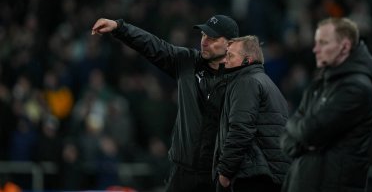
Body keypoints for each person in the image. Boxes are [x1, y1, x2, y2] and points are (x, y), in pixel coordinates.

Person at [91, 15, 239, 192]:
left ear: (230, 44)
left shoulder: (242, 80)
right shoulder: (187, 62)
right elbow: (153, 45)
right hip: (183, 172)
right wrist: (119, 27)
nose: (204, 41)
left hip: (218, 176)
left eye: (212, 38)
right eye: (203, 35)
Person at [280, 17, 372, 192]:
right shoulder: (319, 84)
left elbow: (310, 131)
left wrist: (299, 130)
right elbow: (287, 139)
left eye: (323, 43)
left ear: (345, 47)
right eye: (316, 42)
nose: (315, 49)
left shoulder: (357, 88)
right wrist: (299, 132)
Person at [213, 35, 290, 192]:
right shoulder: (268, 83)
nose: (224, 60)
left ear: (247, 60)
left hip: (253, 176)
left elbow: (241, 129)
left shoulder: (246, 81)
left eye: (230, 55)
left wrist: (225, 172)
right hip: (273, 174)